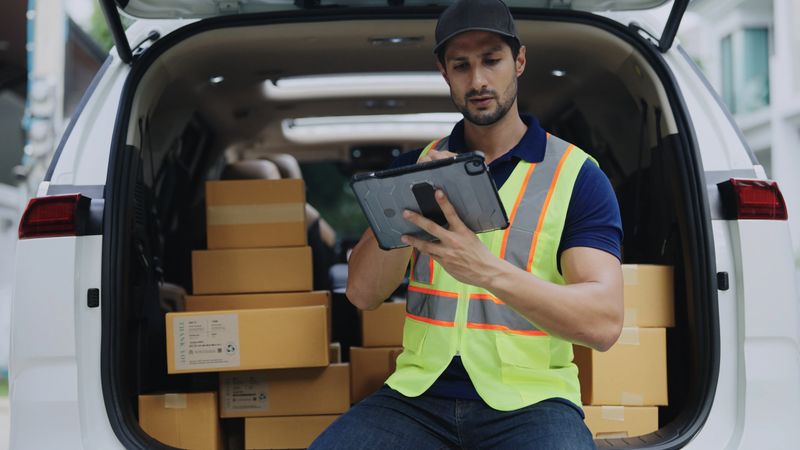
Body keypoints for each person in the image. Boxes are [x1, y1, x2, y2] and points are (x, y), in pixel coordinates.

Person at [311, 0, 623, 448]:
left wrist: (483, 268)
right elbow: (362, 293)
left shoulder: (577, 177)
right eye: (461, 66)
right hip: (416, 398)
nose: (477, 80)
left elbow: (604, 324)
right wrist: (407, 200)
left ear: (519, 61)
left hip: (532, 403)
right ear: (444, 72)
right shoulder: (415, 166)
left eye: (492, 61)